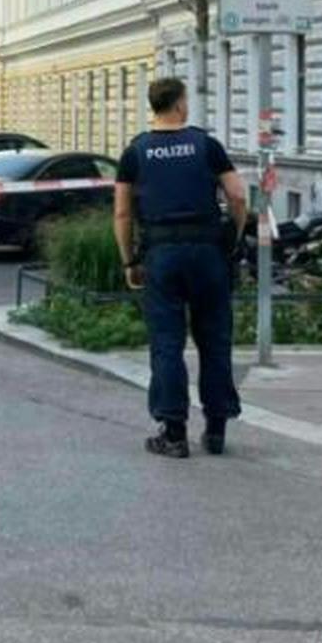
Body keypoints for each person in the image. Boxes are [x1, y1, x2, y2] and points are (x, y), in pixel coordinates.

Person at [114, 76, 251, 459]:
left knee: (167, 343)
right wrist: (234, 238)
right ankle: (217, 429)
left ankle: (173, 433)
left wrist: (129, 260)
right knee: (214, 340)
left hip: (161, 254)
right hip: (207, 253)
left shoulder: (135, 152)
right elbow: (238, 196)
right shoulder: (206, 145)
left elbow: (122, 212)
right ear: (178, 105)